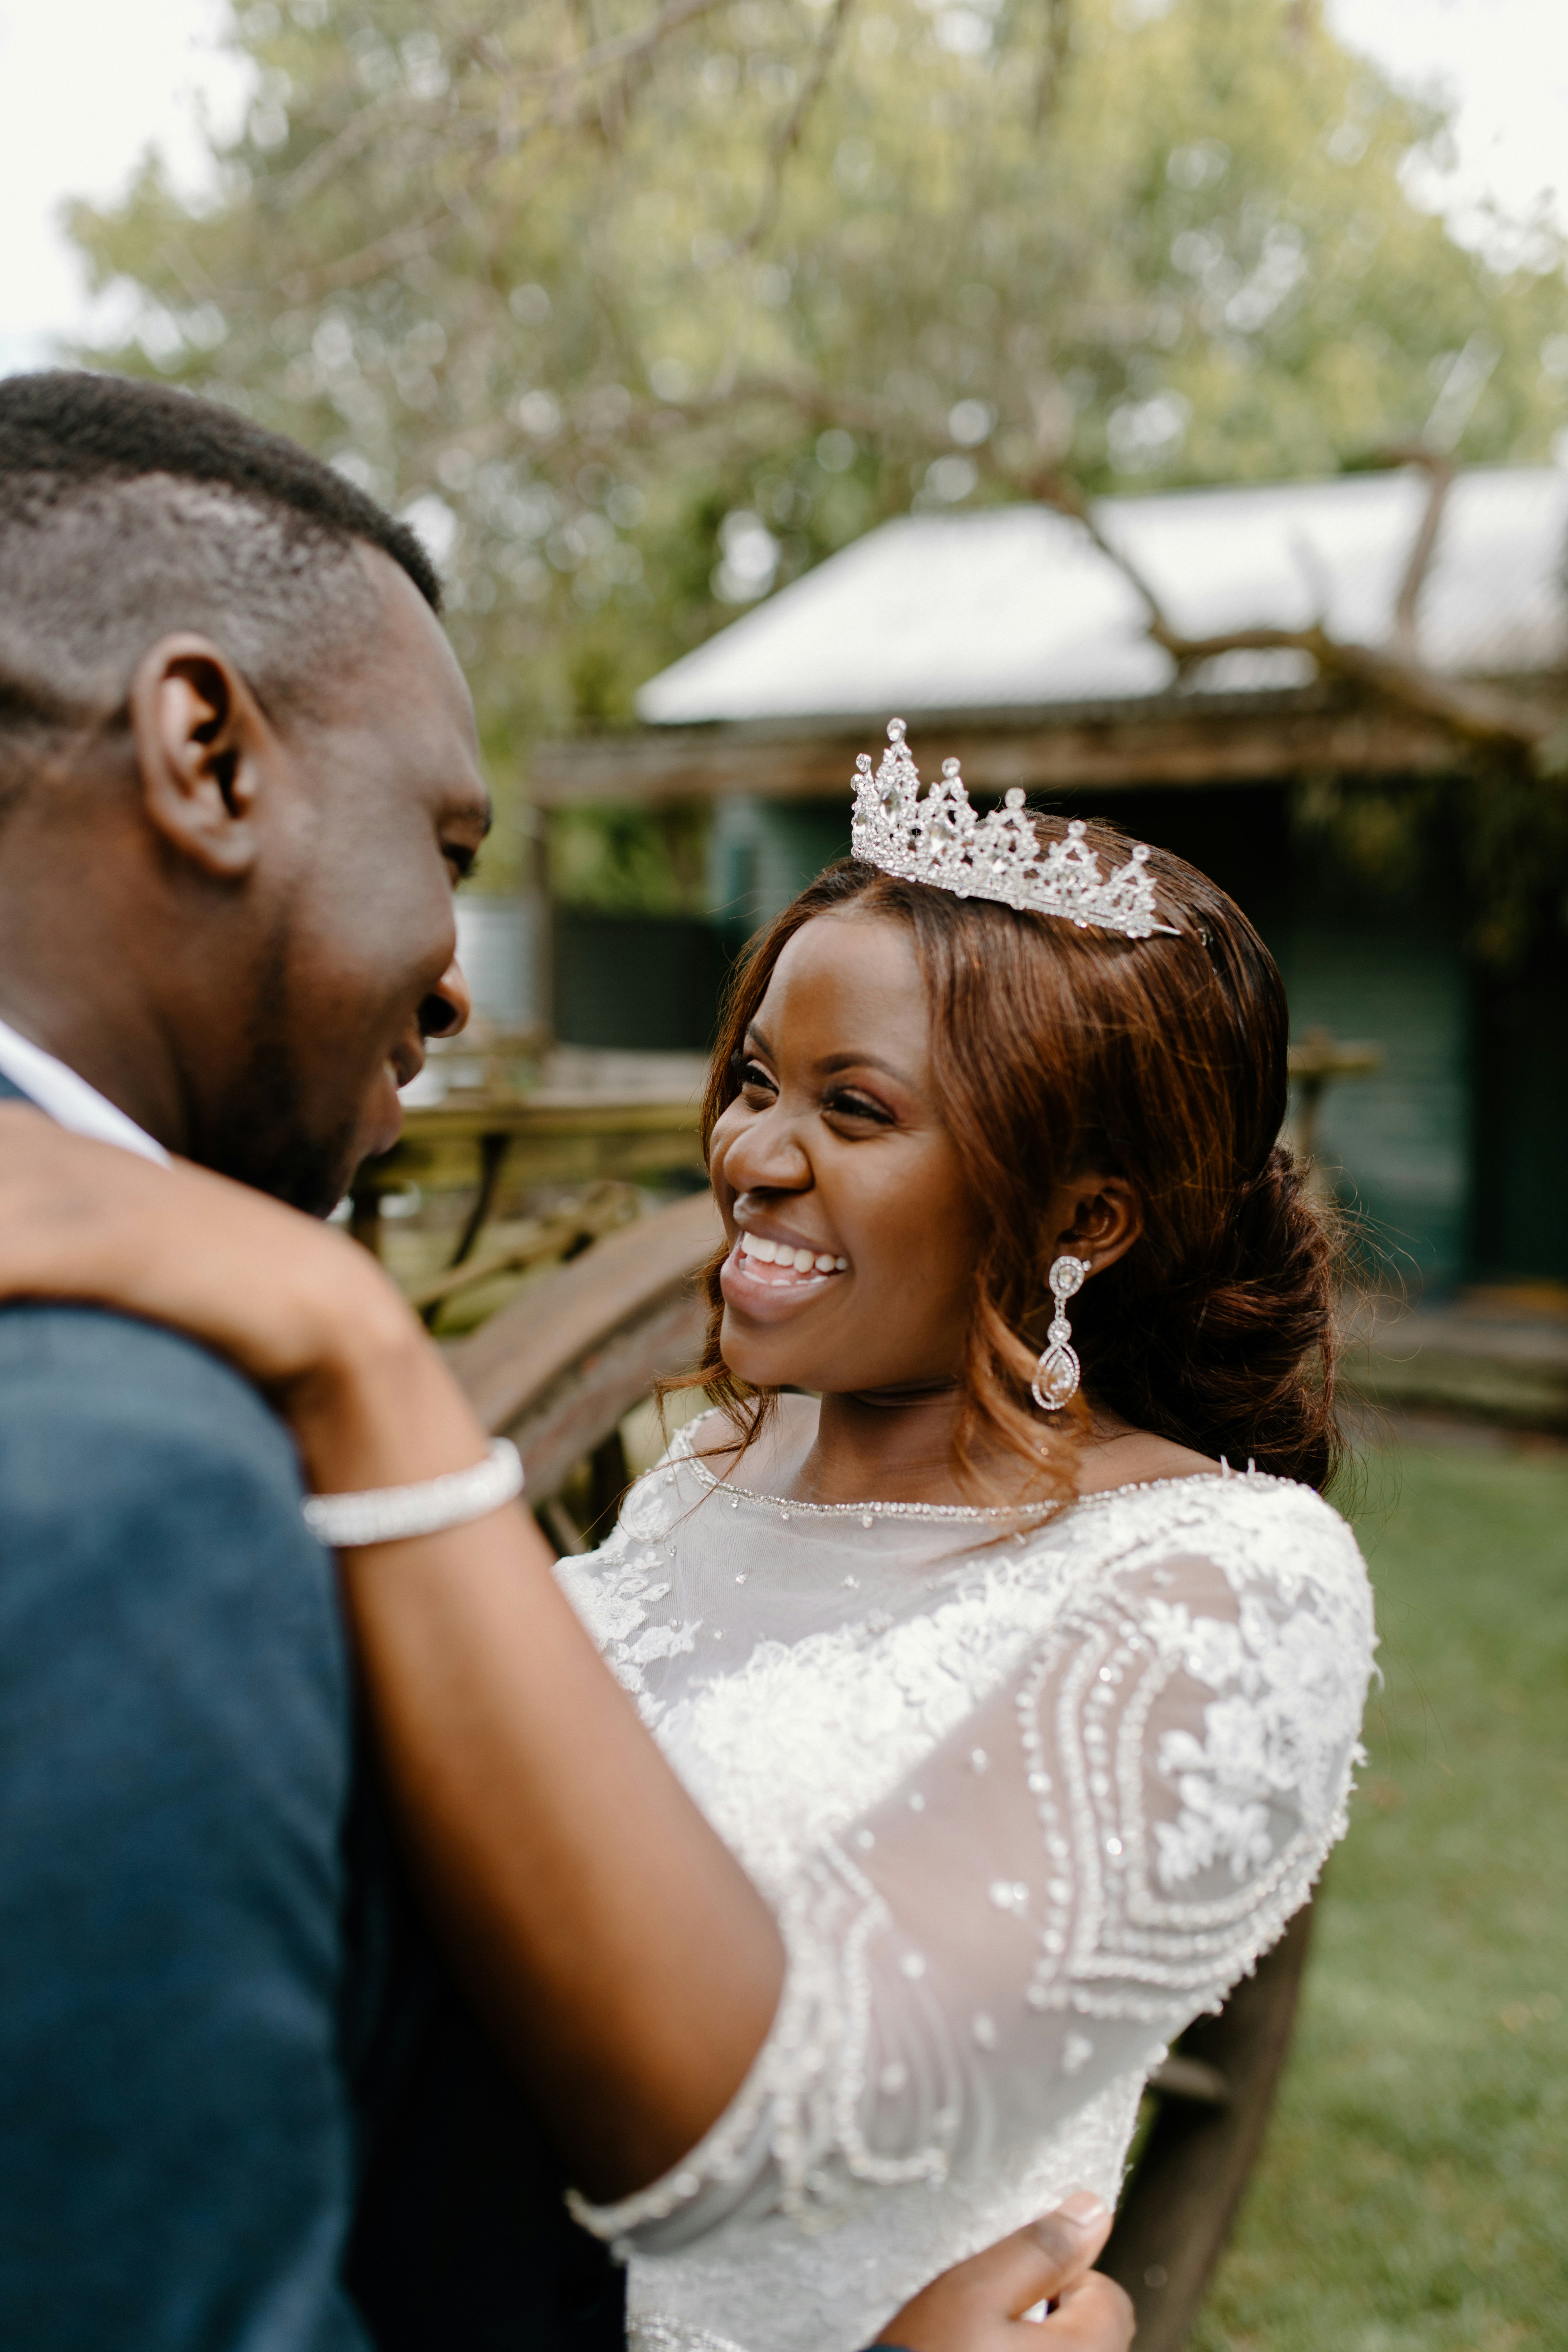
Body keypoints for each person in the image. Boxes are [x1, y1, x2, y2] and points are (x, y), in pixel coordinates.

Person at [0, 371, 1135, 2352]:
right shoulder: (136, 1475)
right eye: (445, 840)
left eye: (858, 1105)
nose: (458, 967)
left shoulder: (1191, 1580)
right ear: (204, 749)